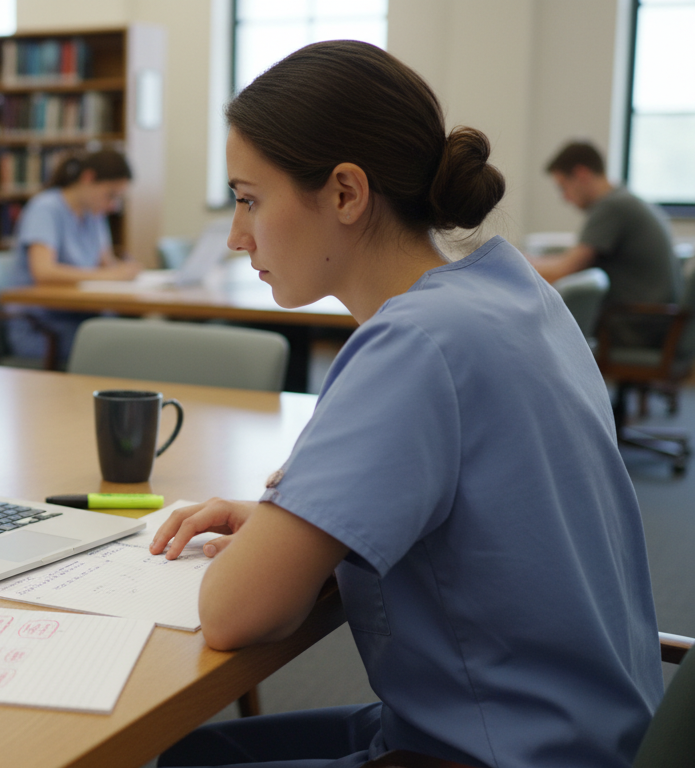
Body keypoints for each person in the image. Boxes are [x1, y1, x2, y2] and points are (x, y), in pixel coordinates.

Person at [150, 41, 661, 768]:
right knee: (200, 754)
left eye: (249, 199)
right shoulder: (513, 292)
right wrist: (290, 524)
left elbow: (233, 613)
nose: (237, 237)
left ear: (346, 193)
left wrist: (282, 534)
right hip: (596, 725)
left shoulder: (414, 345)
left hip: (507, 749)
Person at [530, 140, 681, 346]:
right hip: (657, 323)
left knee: (537, 331)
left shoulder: (611, 207)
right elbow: (570, 261)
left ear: (581, 174)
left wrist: (514, 264)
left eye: (563, 187)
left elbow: (564, 270)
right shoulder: (624, 200)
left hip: (636, 326)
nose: (564, 198)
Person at [6, 149, 141, 363]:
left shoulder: (94, 214)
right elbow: (43, 272)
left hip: (83, 318)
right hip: (43, 327)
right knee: (123, 352)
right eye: (110, 195)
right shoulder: (46, 209)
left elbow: (107, 265)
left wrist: (126, 270)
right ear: (88, 178)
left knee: (137, 341)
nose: (113, 205)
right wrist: (112, 275)